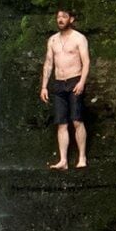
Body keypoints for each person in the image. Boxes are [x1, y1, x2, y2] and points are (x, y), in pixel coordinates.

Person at [40, 9, 93, 170]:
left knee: (77, 120)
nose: (60, 19)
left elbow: (86, 62)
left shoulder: (79, 38)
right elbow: (49, 63)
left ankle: (82, 157)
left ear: (71, 19)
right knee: (61, 123)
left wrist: (82, 82)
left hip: (74, 80)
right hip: (58, 83)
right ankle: (63, 160)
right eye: (58, 17)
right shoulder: (53, 40)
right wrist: (44, 86)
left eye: (64, 17)